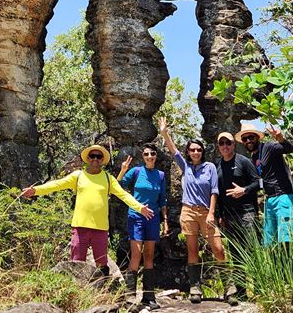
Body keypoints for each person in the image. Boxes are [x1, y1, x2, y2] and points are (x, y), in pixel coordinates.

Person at [21, 144, 154, 280]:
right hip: (80, 227)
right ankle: (77, 295)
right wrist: (35, 190)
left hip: (100, 228)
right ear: (88, 158)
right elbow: (57, 184)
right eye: (92, 156)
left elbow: (124, 195)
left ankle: (101, 294)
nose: (95, 159)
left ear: (102, 160)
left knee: (102, 264)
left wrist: (140, 208)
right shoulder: (78, 176)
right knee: (77, 263)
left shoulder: (108, 179)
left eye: (99, 156)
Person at [158, 116, 231, 304]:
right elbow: (173, 151)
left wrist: (212, 213)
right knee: (192, 250)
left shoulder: (210, 167)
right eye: (192, 150)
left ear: (202, 151)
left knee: (218, 249)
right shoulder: (186, 167)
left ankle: (229, 287)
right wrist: (165, 133)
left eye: (198, 149)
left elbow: (215, 191)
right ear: (188, 152)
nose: (196, 152)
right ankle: (195, 287)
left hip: (206, 211)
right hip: (188, 212)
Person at [117, 143, 168, 310]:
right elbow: (118, 186)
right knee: (136, 255)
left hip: (152, 218)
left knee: (149, 256)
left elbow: (162, 199)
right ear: (143, 156)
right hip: (136, 216)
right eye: (146, 154)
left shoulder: (160, 175)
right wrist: (124, 169)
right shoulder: (136, 171)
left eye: (152, 153)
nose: (150, 156)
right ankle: (130, 296)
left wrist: (165, 220)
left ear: (156, 155)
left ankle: (148, 296)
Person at [215, 131, 260, 300]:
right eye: (222, 143)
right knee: (236, 253)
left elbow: (258, 182)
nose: (225, 146)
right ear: (218, 146)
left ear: (234, 144)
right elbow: (217, 193)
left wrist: (244, 190)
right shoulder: (218, 166)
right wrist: (220, 215)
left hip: (247, 212)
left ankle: (259, 288)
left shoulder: (244, 161)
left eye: (228, 143)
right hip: (229, 216)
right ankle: (241, 292)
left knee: (252, 251)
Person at [236, 123, 293, 247]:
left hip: (283, 197)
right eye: (245, 139)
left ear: (257, 138)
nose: (248, 141)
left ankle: (289, 266)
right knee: (269, 242)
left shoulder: (269, 147)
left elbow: (289, 149)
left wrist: (281, 138)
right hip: (269, 201)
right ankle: (277, 266)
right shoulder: (253, 158)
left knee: (286, 238)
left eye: (251, 137)